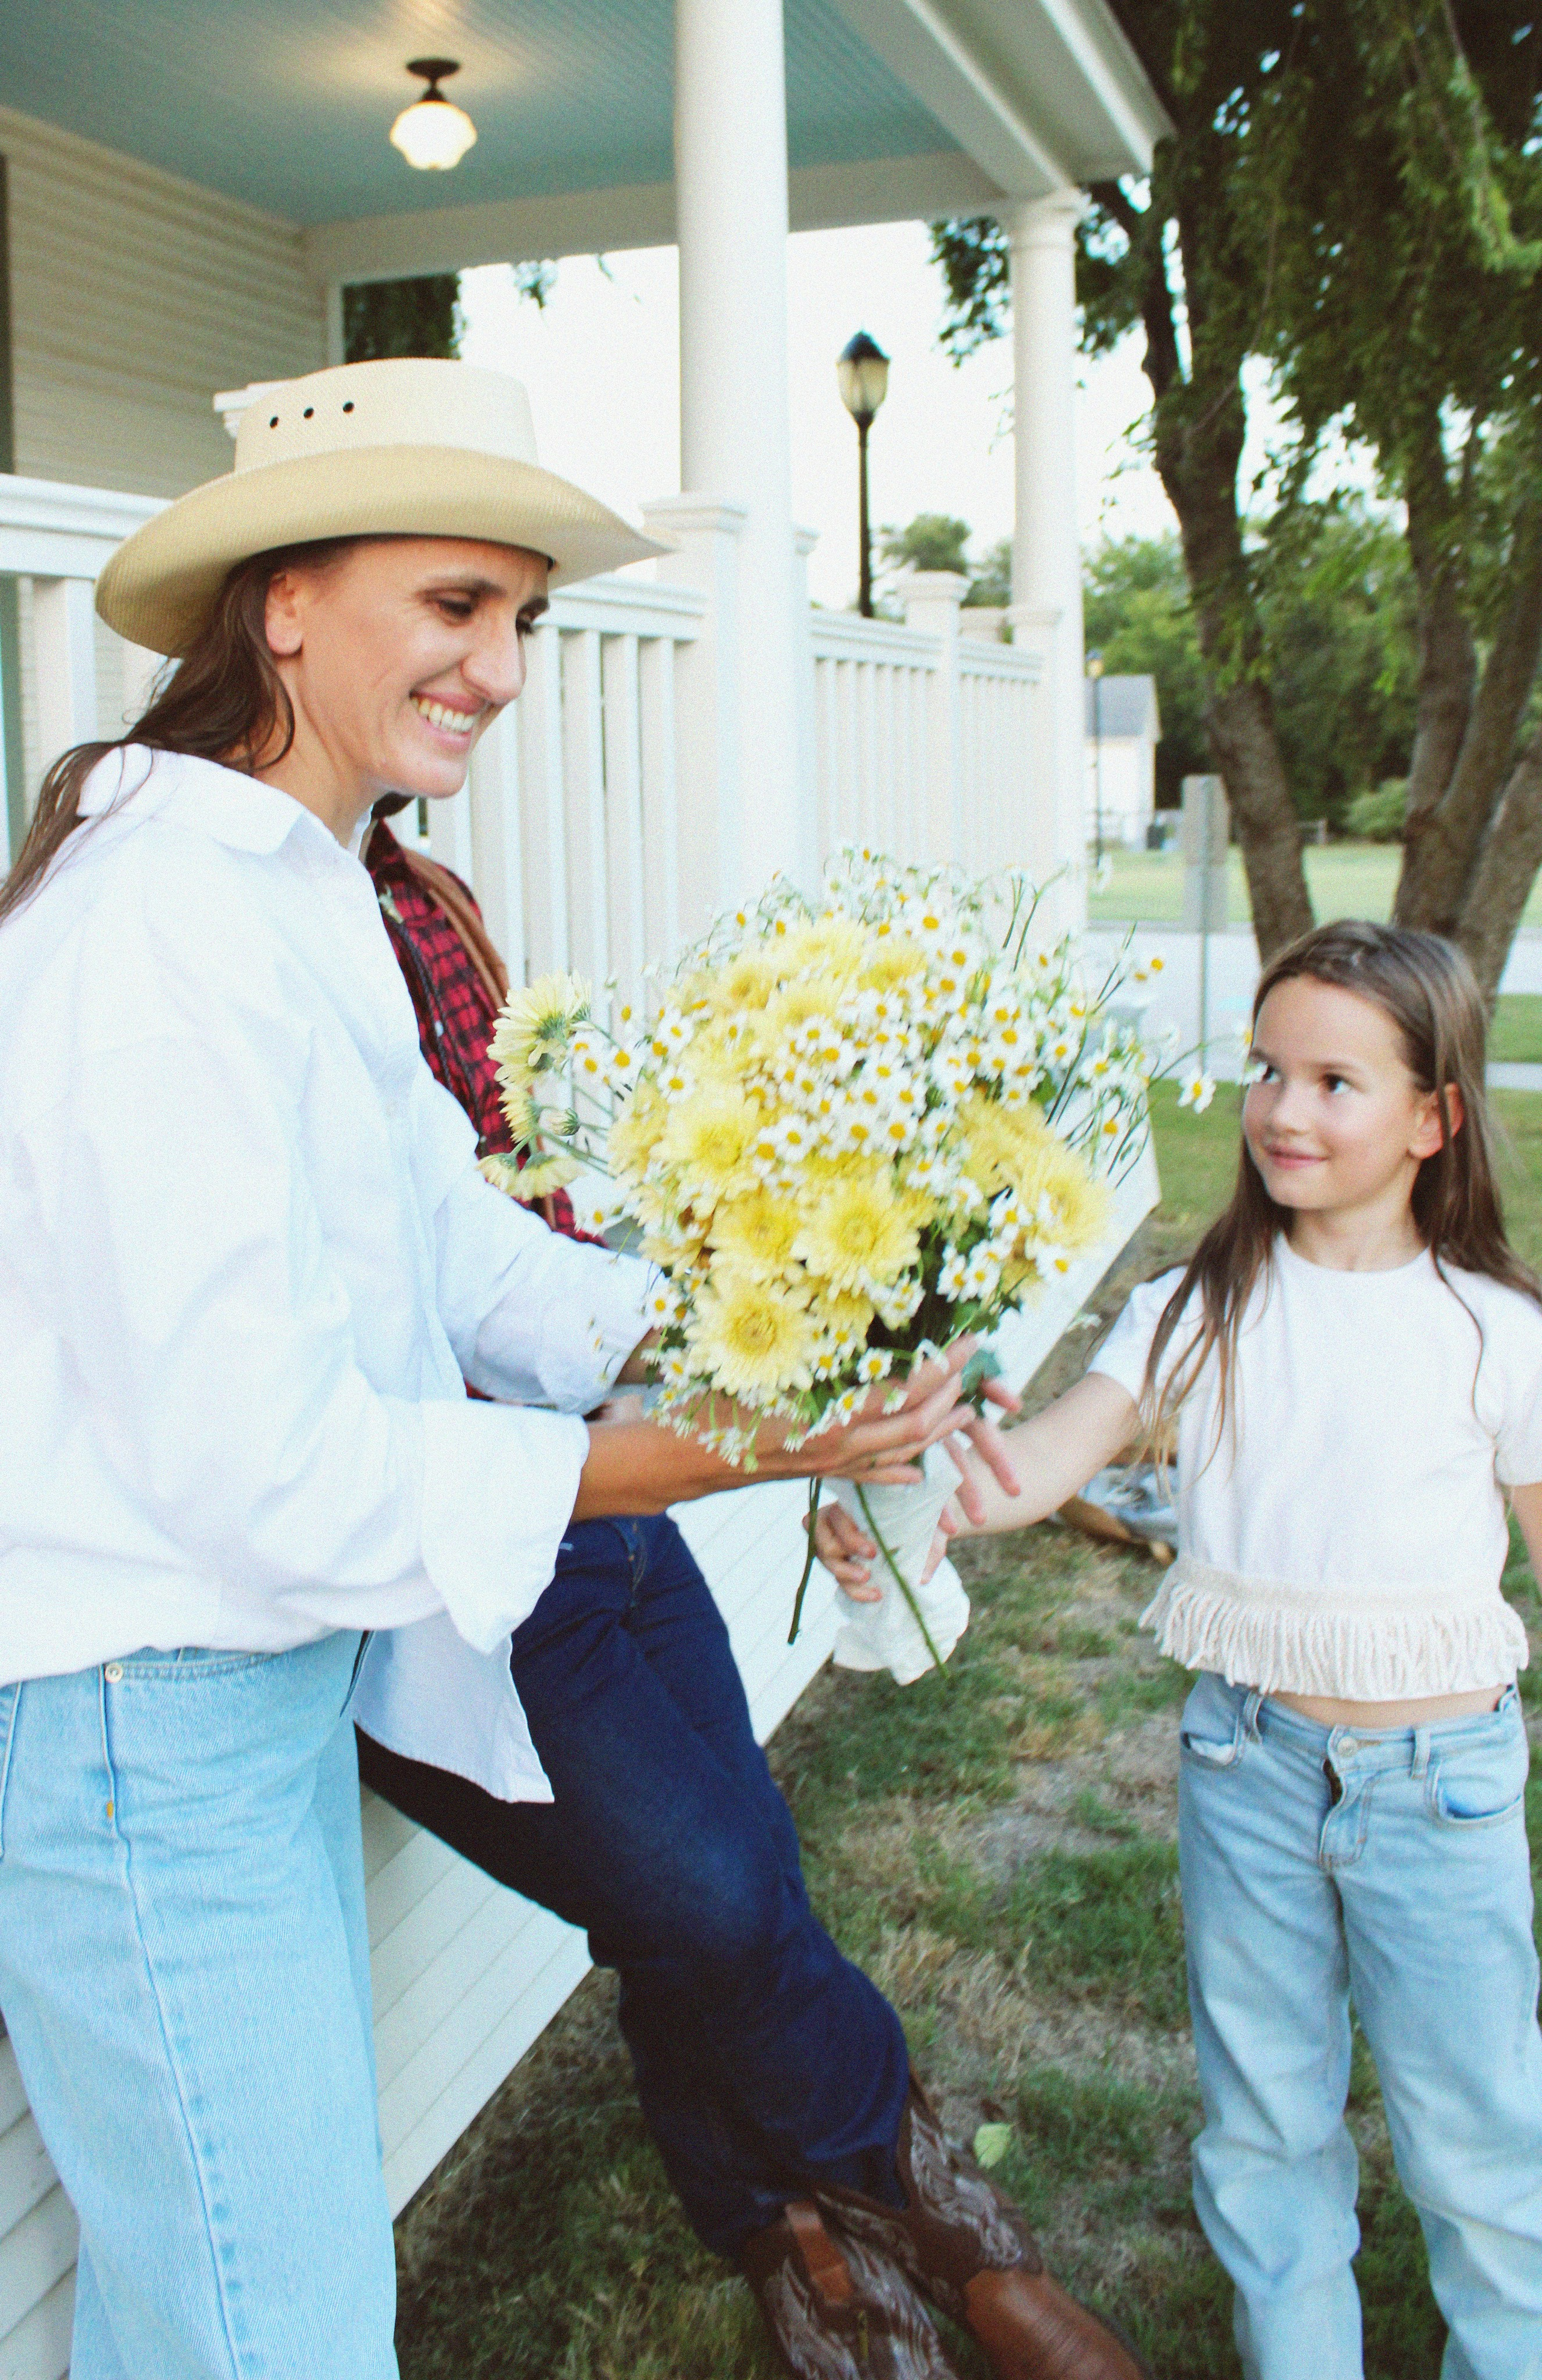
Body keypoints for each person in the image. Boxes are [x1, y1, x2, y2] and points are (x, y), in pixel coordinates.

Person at [0, 357, 994, 2380]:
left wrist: (758, 1330)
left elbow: (444, 1240)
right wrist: (702, 1452)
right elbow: (258, 1468)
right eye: (458, 602)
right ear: (285, 602)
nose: (507, 662)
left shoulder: (297, 897)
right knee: (267, 2335)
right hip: (141, 1720)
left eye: (522, 617)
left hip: (243, 1689)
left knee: (231, 2317)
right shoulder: (149, 936)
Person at [354, 800, 1150, 2380]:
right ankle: (945, 2232)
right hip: (478, 1541)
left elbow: (508, 1230)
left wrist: (790, 1347)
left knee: (721, 1896)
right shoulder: (254, 938)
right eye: (455, 609)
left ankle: (800, 2263)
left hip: (607, 1487)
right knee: (716, 1903)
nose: (495, 670)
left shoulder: (415, 902)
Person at [822, 919, 1542, 2379]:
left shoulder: (1491, 1334)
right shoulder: (1191, 1310)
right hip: (1248, 1762)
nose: (1281, 1108)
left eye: (1335, 1080)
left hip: (1438, 1790)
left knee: (1476, 2145)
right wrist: (906, 1499)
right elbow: (1023, 1473)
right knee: (1264, 2124)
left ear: (1431, 1117)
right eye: (1264, 1069)